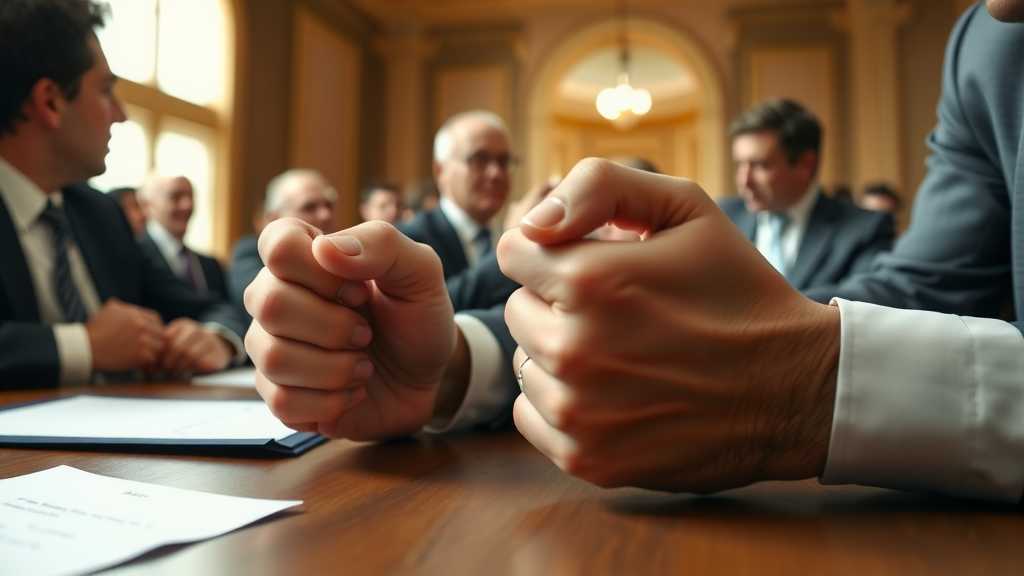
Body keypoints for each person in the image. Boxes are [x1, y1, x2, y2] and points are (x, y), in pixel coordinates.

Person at [0, 0, 245, 388]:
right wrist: (86, 346)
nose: (122, 114)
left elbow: (213, 307)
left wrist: (216, 338)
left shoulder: (100, 214)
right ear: (50, 102)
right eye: (106, 91)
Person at [722, 99, 895, 290]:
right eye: (740, 164)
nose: (743, 180)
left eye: (761, 165)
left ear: (806, 164)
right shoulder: (723, 217)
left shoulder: (865, 230)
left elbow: (864, 300)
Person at [399, 110, 512, 279]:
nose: (496, 173)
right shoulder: (411, 240)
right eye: (479, 160)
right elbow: (445, 300)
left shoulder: (503, 232)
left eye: (503, 161)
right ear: (440, 171)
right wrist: (510, 252)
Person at [227, 169, 338, 311]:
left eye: (329, 205)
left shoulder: (338, 250)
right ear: (273, 218)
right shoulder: (249, 251)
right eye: (309, 207)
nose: (325, 215)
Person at [137, 174, 228, 299]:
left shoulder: (210, 265)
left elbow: (222, 306)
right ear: (147, 206)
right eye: (175, 196)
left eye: (190, 196)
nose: (187, 205)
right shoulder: (134, 255)